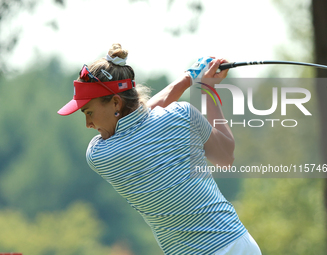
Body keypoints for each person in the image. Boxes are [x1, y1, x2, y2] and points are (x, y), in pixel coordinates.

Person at [58, 43, 262, 255]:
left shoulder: (99, 154)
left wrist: (186, 80)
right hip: (239, 244)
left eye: (89, 112)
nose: (88, 124)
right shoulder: (182, 115)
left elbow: (145, 117)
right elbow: (226, 157)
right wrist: (206, 89)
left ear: (116, 103)